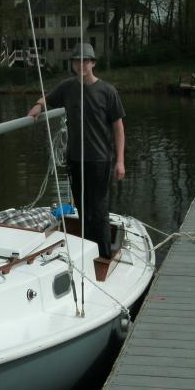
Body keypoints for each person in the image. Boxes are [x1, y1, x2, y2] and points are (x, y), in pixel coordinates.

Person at [27, 43, 125, 259]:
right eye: (76, 61)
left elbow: (118, 127)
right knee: (82, 208)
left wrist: (120, 161)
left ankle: (104, 256)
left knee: (98, 209)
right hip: (75, 159)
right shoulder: (67, 87)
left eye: (85, 60)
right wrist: (38, 105)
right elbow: (47, 98)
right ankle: (87, 251)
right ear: (72, 64)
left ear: (93, 63)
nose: (81, 64)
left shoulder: (108, 91)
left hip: (100, 159)